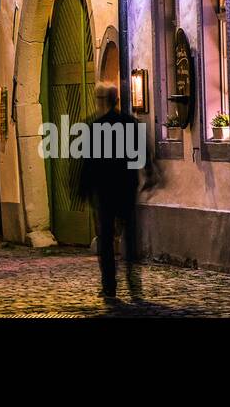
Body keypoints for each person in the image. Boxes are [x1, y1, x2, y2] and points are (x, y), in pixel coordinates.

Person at [79, 84, 146, 303]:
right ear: (117, 100)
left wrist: (84, 189)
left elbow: (88, 163)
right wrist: (151, 174)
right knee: (130, 236)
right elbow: (142, 154)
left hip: (105, 191)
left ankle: (109, 286)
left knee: (106, 240)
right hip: (126, 187)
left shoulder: (95, 127)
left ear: (103, 100)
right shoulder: (130, 124)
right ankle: (134, 283)